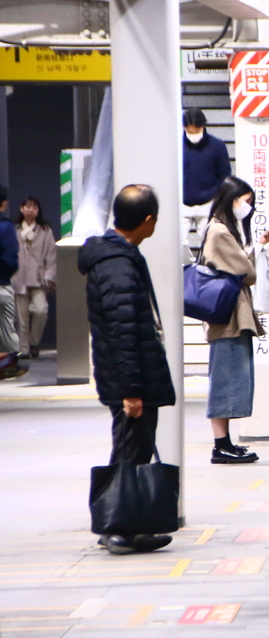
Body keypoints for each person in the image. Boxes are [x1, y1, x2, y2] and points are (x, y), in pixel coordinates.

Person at [78, 184, 174, 554]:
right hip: (130, 379)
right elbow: (124, 331)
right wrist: (132, 390)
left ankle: (127, 523)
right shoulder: (117, 264)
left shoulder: (117, 257)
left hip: (129, 375)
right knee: (130, 449)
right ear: (147, 220)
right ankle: (117, 526)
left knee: (133, 446)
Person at [201, 176, 269, 463]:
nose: (247, 207)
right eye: (245, 201)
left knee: (230, 376)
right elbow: (245, 272)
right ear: (230, 199)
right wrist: (255, 252)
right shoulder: (220, 231)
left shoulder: (220, 229)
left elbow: (238, 265)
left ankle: (225, 442)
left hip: (229, 315)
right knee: (226, 378)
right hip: (228, 317)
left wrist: (257, 245)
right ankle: (220, 445)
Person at [182, 108, 232, 250]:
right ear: (184, 127)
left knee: (210, 246)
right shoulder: (176, 145)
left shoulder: (217, 146)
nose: (193, 134)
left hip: (209, 204)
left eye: (196, 130)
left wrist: (218, 199)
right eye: (189, 131)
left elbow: (225, 175)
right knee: (178, 245)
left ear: (203, 126)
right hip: (181, 203)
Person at [13, 196, 55, 359]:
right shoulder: (14, 229)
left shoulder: (45, 230)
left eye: (34, 207)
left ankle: (33, 341)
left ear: (38, 211)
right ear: (21, 208)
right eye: (28, 206)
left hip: (38, 278)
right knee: (21, 316)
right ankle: (23, 349)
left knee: (41, 309)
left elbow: (51, 256)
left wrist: (49, 276)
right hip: (18, 277)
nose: (31, 209)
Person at [0, 187, 22, 379]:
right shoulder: (6, 227)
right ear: (4, 204)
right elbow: (10, 259)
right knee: (8, 327)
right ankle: (11, 364)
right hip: (2, 284)